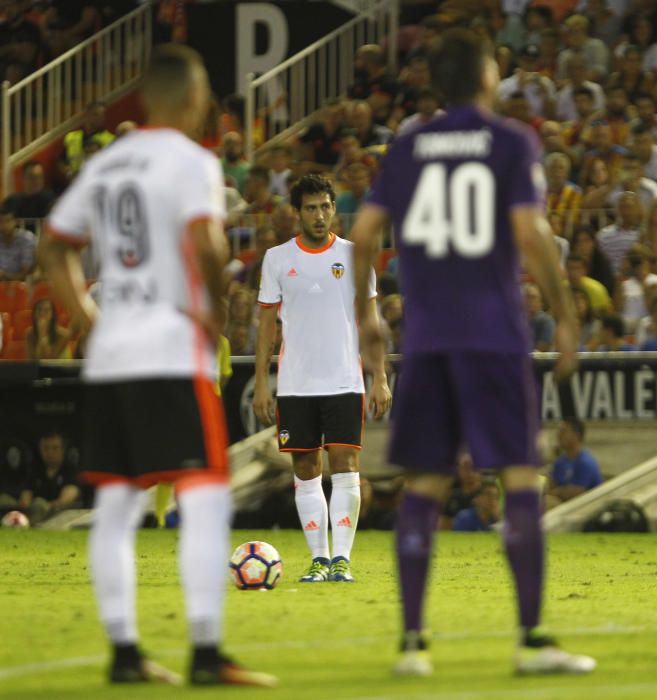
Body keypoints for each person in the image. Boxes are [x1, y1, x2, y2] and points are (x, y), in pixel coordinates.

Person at [350, 28, 595, 676]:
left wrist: (366, 314)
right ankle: (532, 639)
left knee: (423, 484)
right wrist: (564, 314)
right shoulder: (510, 142)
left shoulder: (407, 145)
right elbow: (527, 228)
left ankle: (411, 646)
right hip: (491, 334)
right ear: (488, 77)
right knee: (518, 474)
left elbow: (363, 231)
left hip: (428, 337)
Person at [39, 44, 275, 688]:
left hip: (113, 352)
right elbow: (204, 241)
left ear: (145, 99)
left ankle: (124, 652)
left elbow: (54, 245)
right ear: (196, 101)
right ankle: (204, 652)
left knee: (115, 504)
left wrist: (89, 318)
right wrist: (213, 310)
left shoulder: (107, 163)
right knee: (204, 496)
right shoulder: (193, 161)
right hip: (172, 350)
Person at [253, 174, 391, 584]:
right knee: (306, 468)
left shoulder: (354, 256)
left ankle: (342, 560)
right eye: (311, 208)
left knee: (346, 464)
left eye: (325, 206)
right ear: (297, 213)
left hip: (345, 379)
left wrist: (380, 375)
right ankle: (318, 558)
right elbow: (265, 326)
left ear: (334, 208)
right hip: (295, 382)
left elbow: (371, 319)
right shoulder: (277, 258)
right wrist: (262, 381)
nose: (319, 215)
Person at [23, 430, 80, 524]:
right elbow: (25, 497)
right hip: (32, 515)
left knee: (39, 503)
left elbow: (66, 499)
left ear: (63, 450)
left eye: (55, 448)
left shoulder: (70, 470)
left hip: (61, 518)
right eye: (46, 448)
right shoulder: (35, 470)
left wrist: (44, 506)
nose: (50, 452)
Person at [544, 419, 603, 510]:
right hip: (563, 510)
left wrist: (556, 493)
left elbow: (576, 493)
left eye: (563, 431)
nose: (559, 435)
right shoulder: (560, 462)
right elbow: (551, 486)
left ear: (576, 435)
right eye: (559, 431)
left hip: (586, 510)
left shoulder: (585, 462)